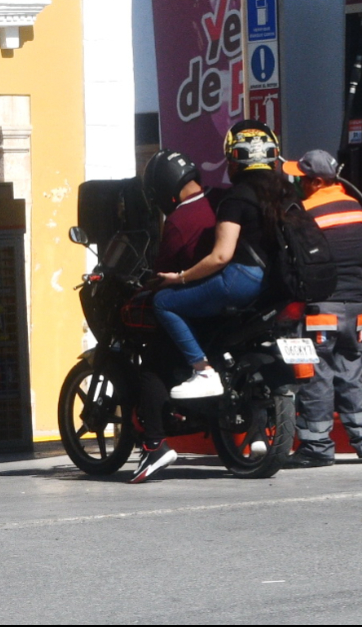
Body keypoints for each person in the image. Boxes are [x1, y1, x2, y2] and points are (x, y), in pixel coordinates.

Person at [151, 120, 296, 399]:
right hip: (279, 281)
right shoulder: (286, 194)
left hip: (242, 280)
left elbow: (220, 256)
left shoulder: (234, 198)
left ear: (234, 161)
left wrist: (180, 277)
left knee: (163, 302)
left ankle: (203, 371)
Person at [283, 150, 362, 468]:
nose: (296, 183)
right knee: (351, 374)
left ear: (316, 181)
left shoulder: (304, 211)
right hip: (355, 309)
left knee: (315, 375)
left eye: (301, 178)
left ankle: (316, 447)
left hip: (320, 310)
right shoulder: (356, 208)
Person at [129, 149, 216, 484]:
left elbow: (161, 272)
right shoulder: (218, 202)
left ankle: (154, 444)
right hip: (235, 302)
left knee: (152, 364)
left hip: (198, 305)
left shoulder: (180, 221)